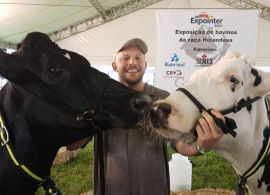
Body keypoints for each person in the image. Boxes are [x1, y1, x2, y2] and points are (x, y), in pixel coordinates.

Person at [93, 38, 225, 195]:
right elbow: (75, 143)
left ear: (145, 65)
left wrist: (201, 147)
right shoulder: (99, 99)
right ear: (114, 66)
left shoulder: (162, 99)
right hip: (111, 185)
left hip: (153, 185)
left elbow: (178, 143)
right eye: (125, 58)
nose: (133, 62)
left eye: (138, 58)